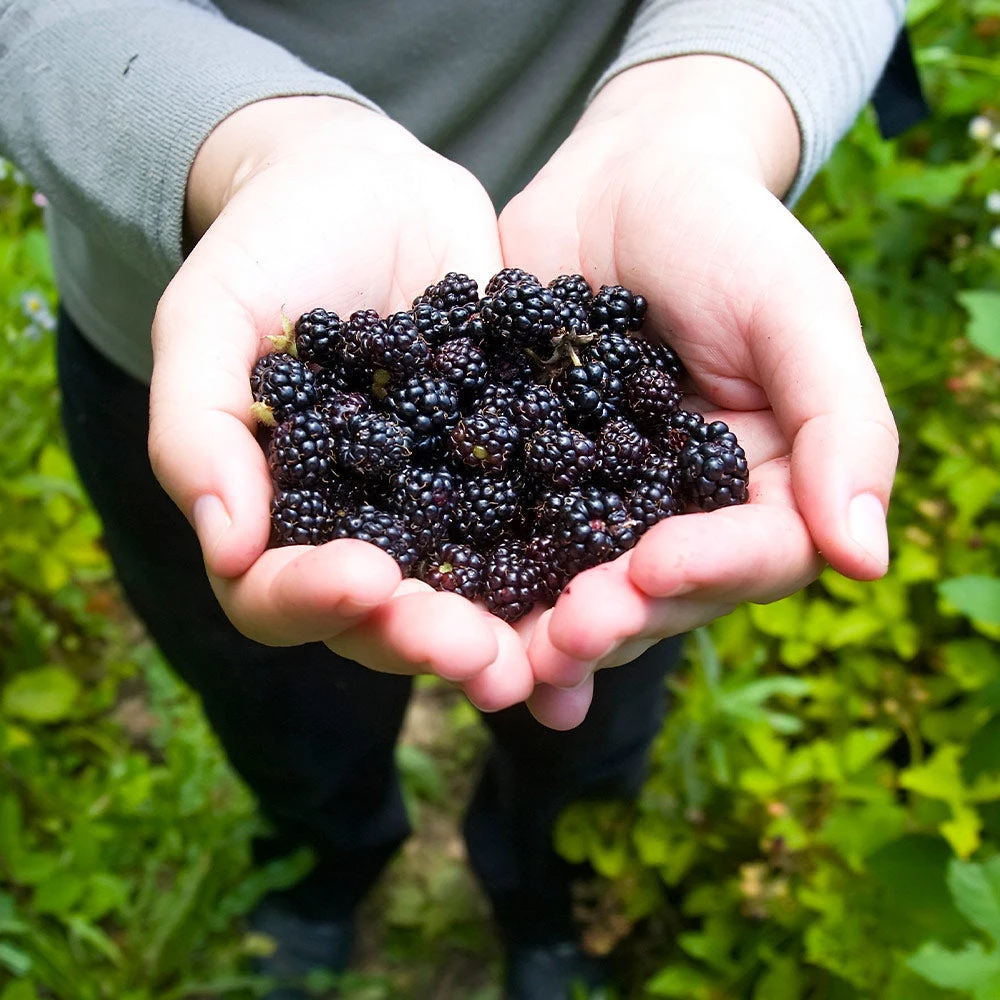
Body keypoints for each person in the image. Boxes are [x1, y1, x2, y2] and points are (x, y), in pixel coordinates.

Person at [0, 2, 904, 997]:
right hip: (194, 329)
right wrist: (247, 148)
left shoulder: (577, 425)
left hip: (625, 199)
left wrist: (701, 118)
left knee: (592, 701)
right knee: (283, 706)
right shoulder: (357, 410)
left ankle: (545, 898)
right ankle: (325, 869)